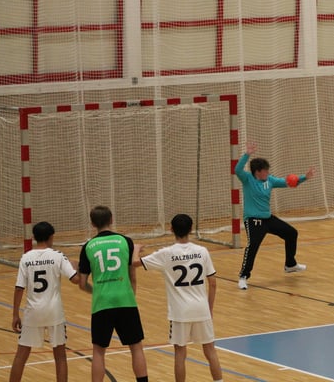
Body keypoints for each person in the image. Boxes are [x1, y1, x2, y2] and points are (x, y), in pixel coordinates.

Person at [132, 214, 223, 382]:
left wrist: (136, 249)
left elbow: (135, 263)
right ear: (191, 229)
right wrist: (209, 309)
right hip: (201, 309)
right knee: (210, 350)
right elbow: (213, 283)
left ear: (171, 229)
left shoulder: (166, 254)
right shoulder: (202, 251)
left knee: (180, 353)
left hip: (180, 312)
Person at [78, 205, 149, 382]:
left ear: (92, 223)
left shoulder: (88, 246)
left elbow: (82, 283)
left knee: (98, 351)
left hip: (102, 303)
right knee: (136, 347)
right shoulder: (126, 241)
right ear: (111, 220)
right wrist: (130, 296)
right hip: (126, 300)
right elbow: (133, 275)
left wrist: (97, 292)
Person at [235, 142, 315, 290]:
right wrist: (247, 154)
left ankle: (290, 264)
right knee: (253, 246)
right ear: (257, 172)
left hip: (268, 218)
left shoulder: (270, 180)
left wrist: (305, 177)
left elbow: (288, 182)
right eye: (265, 170)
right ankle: (243, 276)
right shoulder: (247, 179)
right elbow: (237, 169)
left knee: (291, 233)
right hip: (253, 220)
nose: (267, 172)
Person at [9, 221, 80, 382]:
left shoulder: (26, 258)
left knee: (21, 355)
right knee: (60, 356)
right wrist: (77, 267)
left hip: (32, 312)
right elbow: (75, 280)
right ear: (51, 237)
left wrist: (15, 315)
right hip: (54, 312)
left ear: (34, 237)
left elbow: (19, 288)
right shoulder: (58, 256)